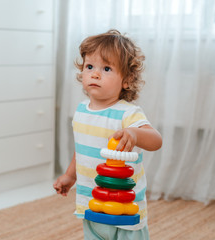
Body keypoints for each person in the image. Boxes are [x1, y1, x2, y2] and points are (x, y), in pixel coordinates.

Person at [53, 29, 162, 240]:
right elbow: (82, 149)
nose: (95, 73)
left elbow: (156, 140)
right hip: (92, 201)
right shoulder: (81, 111)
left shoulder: (128, 113)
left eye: (106, 68)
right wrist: (70, 175)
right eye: (90, 67)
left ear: (127, 80)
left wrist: (135, 134)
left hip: (125, 207)